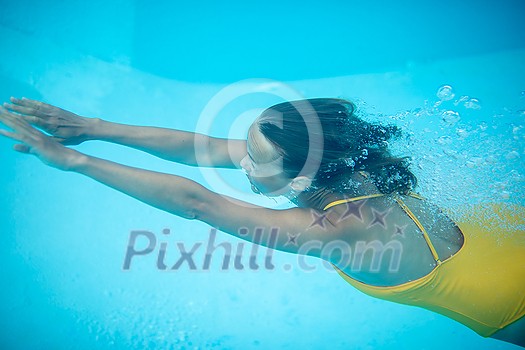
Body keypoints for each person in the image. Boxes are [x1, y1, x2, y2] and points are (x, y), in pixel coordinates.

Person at [1, 97, 523, 347]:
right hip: (506, 233)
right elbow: (201, 147)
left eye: (254, 160)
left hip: (507, 302)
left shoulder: (340, 230)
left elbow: (197, 203)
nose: (240, 162)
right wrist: (92, 128)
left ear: (301, 177)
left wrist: (74, 161)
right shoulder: (345, 157)